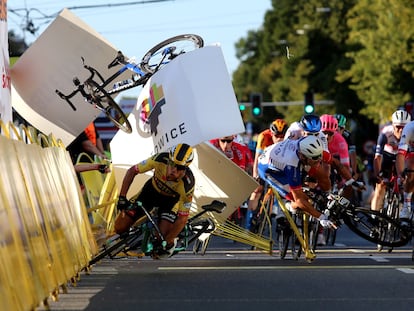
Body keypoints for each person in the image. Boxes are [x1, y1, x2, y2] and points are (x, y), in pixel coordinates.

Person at [115, 143, 195, 258]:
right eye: (172, 164)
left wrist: (169, 239)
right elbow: (132, 170)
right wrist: (122, 197)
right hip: (150, 192)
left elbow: (183, 218)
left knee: (161, 240)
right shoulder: (159, 159)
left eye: (180, 168)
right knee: (120, 227)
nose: (174, 171)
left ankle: (171, 239)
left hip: (170, 202)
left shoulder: (187, 184)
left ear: (185, 169)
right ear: (168, 160)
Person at [257, 135, 335, 228]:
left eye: (319, 157)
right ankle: (289, 206)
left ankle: (325, 195)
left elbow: (333, 162)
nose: (318, 161)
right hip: (269, 170)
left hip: (279, 154)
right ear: (303, 156)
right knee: (299, 200)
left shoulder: (305, 144)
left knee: (320, 173)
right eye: (314, 159)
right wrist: (321, 217)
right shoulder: (291, 165)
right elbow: (299, 200)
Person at [371, 110, 411, 213]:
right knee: (380, 186)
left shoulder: (411, 133)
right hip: (387, 156)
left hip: (404, 157)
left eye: (404, 127)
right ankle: (375, 215)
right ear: (392, 125)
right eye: (398, 127)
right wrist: (377, 174)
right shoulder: (385, 133)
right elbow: (378, 157)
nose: (401, 131)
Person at [210, 135, 253, 227]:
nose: (225, 144)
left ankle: (238, 206)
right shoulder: (212, 143)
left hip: (235, 165)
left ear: (233, 140)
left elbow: (243, 169)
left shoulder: (239, 148)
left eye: (229, 141)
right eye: (223, 141)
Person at [249, 119, 288, 213]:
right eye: (276, 136)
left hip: (278, 164)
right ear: (271, 133)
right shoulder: (263, 136)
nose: (279, 139)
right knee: (256, 191)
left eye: (282, 136)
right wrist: (255, 177)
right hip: (263, 162)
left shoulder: (289, 139)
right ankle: (248, 221)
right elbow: (256, 159)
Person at [396, 116, 414, 221]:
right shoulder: (409, 128)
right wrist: (401, 175)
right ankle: (406, 206)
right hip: (411, 152)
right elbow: (401, 155)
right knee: (411, 166)